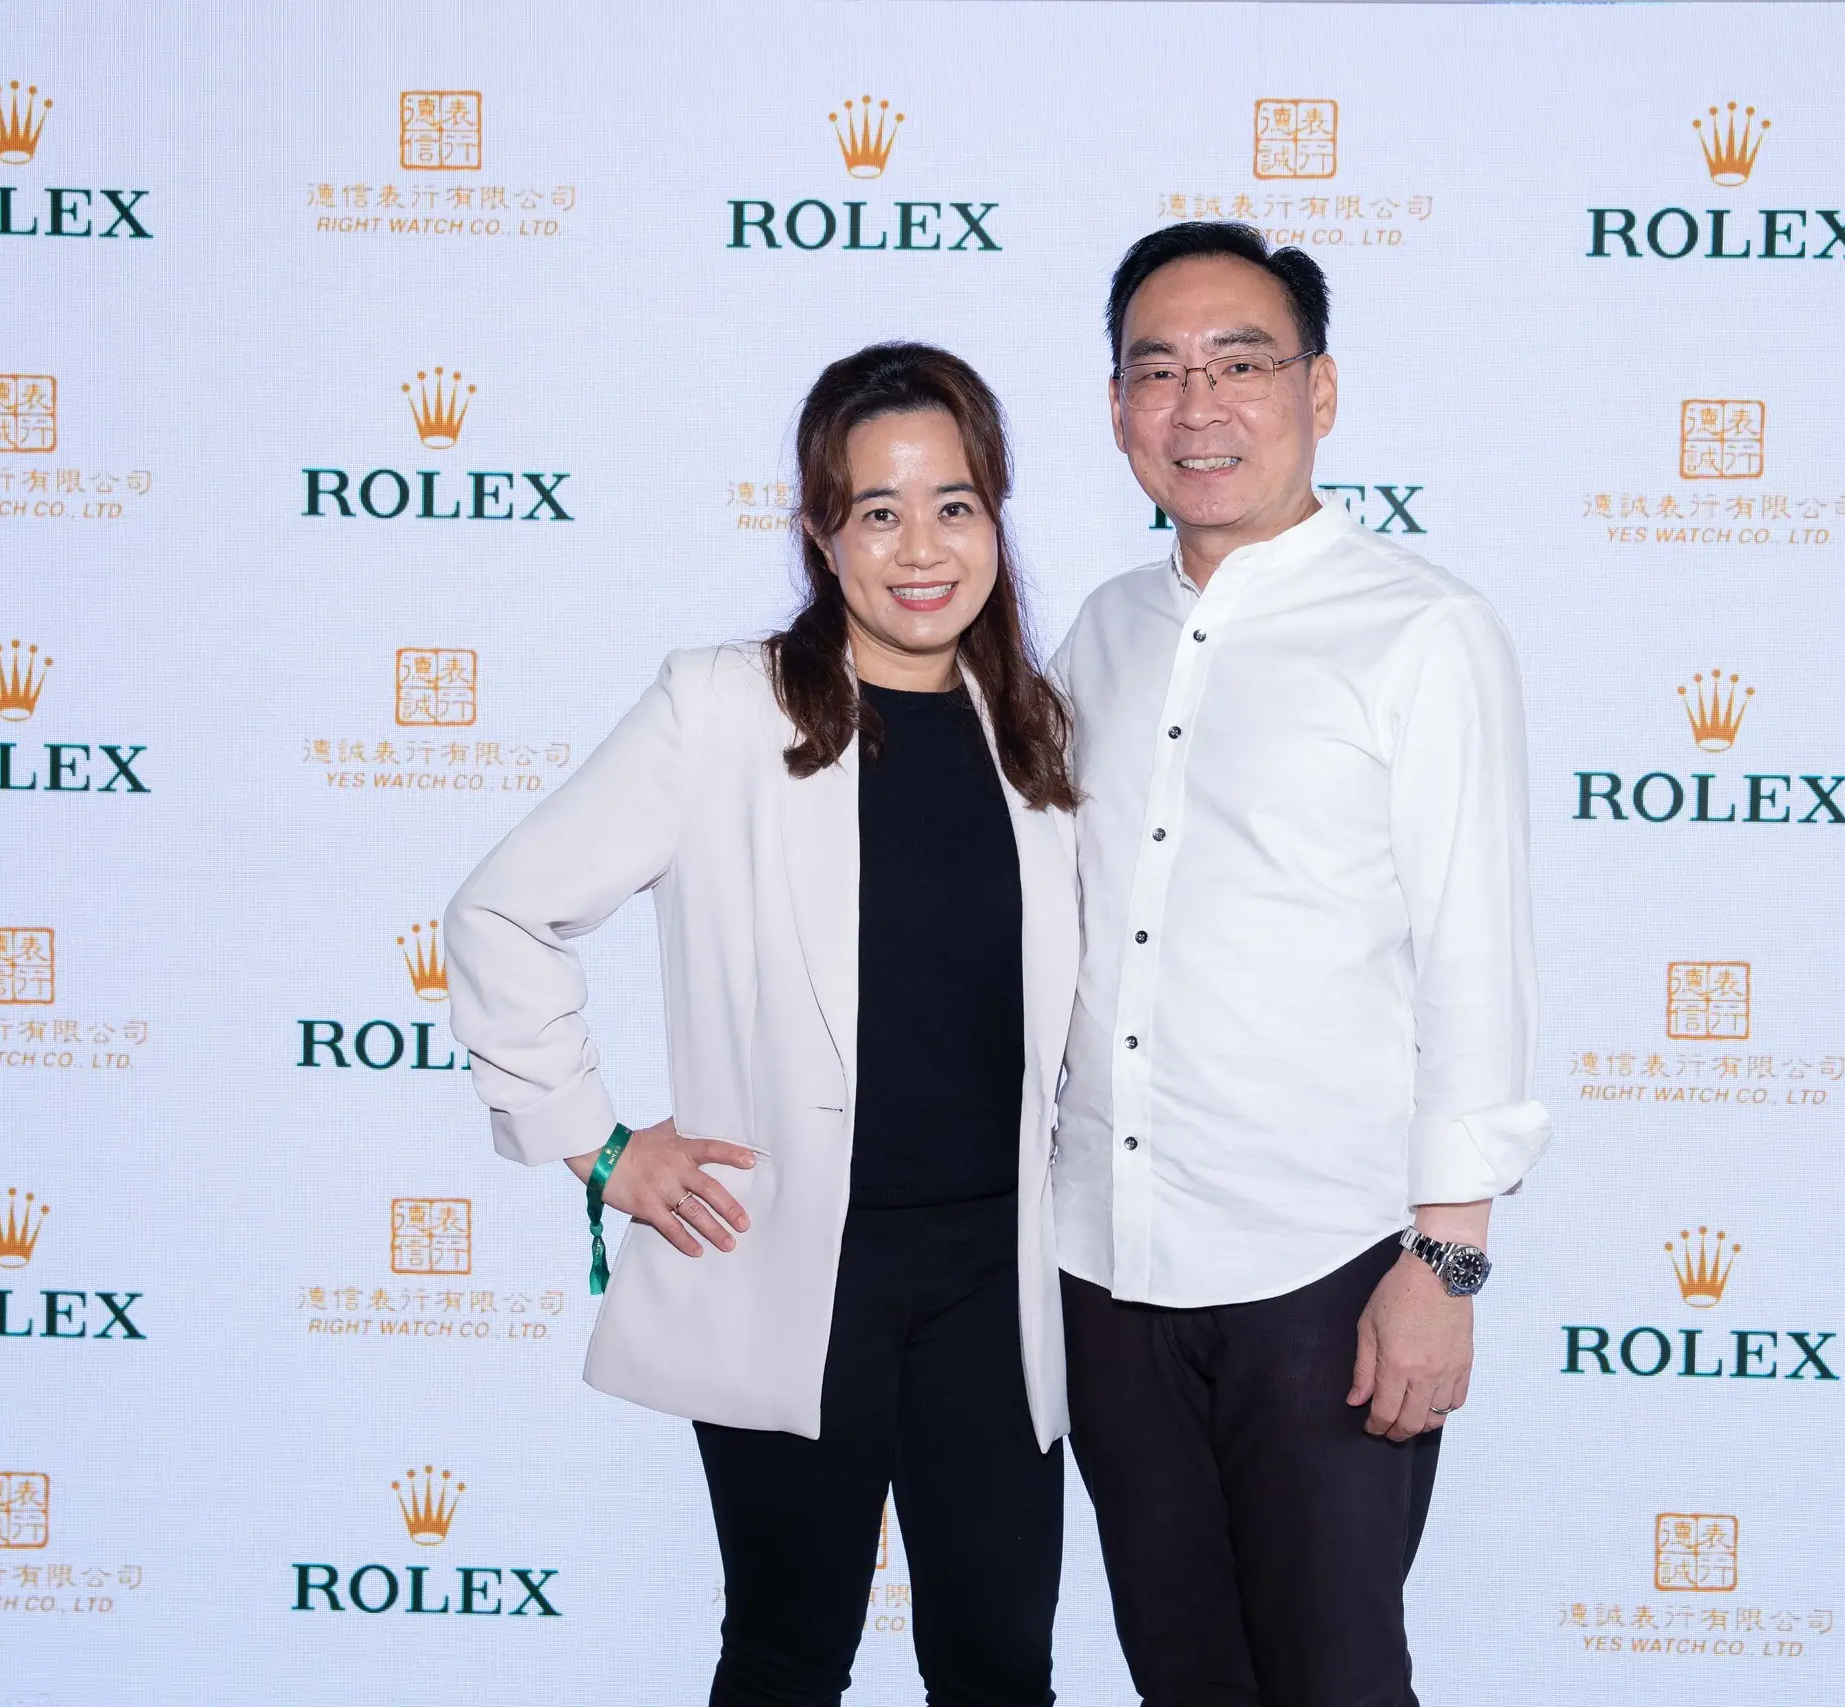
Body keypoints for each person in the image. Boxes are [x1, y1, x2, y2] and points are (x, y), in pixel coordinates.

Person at [444, 342, 1079, 1707]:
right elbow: (501, 911)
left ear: (997, 515)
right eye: (879, 511)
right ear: (820, 532)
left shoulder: (1040, 729)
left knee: (1001, 1671)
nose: (923, 548)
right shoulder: (724, 707)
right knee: (789, 1658)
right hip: (798, 1262)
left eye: (955, 505)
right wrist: (596, 1144)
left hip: (999, 1277)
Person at [1050, 222, 1548, 1707]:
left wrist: (1444, 1260)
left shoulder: (1421, 630)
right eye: (1158, 371)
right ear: (1119, 410)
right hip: (1103, 1262)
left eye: (1242, 364)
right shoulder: (1102, 629)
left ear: (1319, 392)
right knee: (1181, 1674)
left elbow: (1476, 956)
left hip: (1322, 1269)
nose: (1198, 405)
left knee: (1336, 1678)